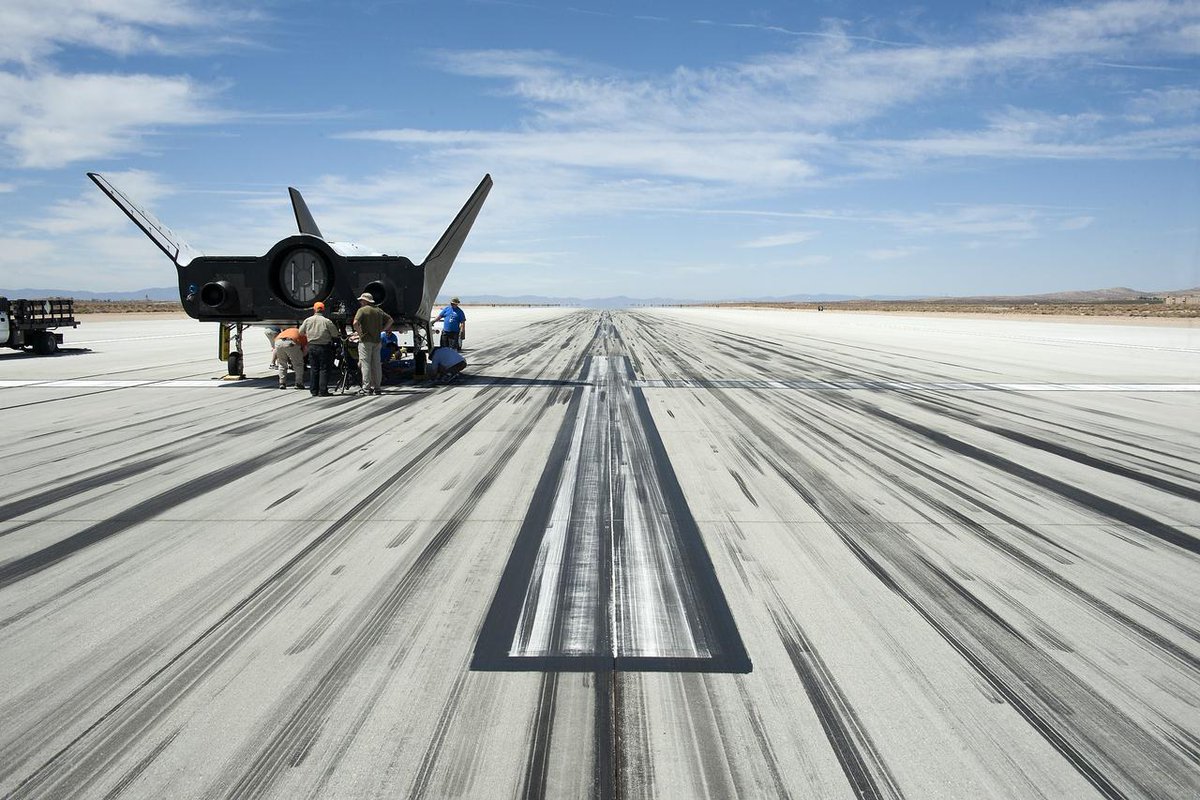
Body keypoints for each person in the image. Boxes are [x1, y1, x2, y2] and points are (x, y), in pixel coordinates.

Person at [352, 292, 393, 395]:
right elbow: (390, 320)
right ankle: (377, 387)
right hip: (377, 341)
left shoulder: (362, 310)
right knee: (376, 364)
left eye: (362, 300)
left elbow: (355, 323)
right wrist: (383, 329)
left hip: (365, 341)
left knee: (365, 364)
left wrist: (359, 333)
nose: (360, 302)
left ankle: (366, 388)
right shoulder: (378, 310)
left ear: (365, 301)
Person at [299, 301, 340, 396]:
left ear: (314, 309)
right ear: (323, 310)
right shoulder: (326, 321)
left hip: (312, 346)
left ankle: (314, 390)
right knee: (324, 369)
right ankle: (323, 390)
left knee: (314, 369)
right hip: (324, 347)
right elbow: (335, 334)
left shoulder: (308, 320)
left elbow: (301, 332)